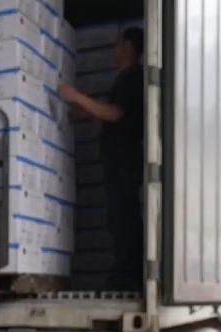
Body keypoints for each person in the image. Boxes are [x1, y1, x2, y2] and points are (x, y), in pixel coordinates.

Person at [58, 26, 145, 289]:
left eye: (116, 45)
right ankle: (124, 274)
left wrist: (76, 97)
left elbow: (116, 113)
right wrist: (80, 113)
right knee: (118, 219)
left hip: (124, 165)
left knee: (124, 220)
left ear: (128, 46)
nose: (113, 51)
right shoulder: (124, 79)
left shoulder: (133, 77)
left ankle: (126, 278)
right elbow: (109, 110)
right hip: (119, 164)